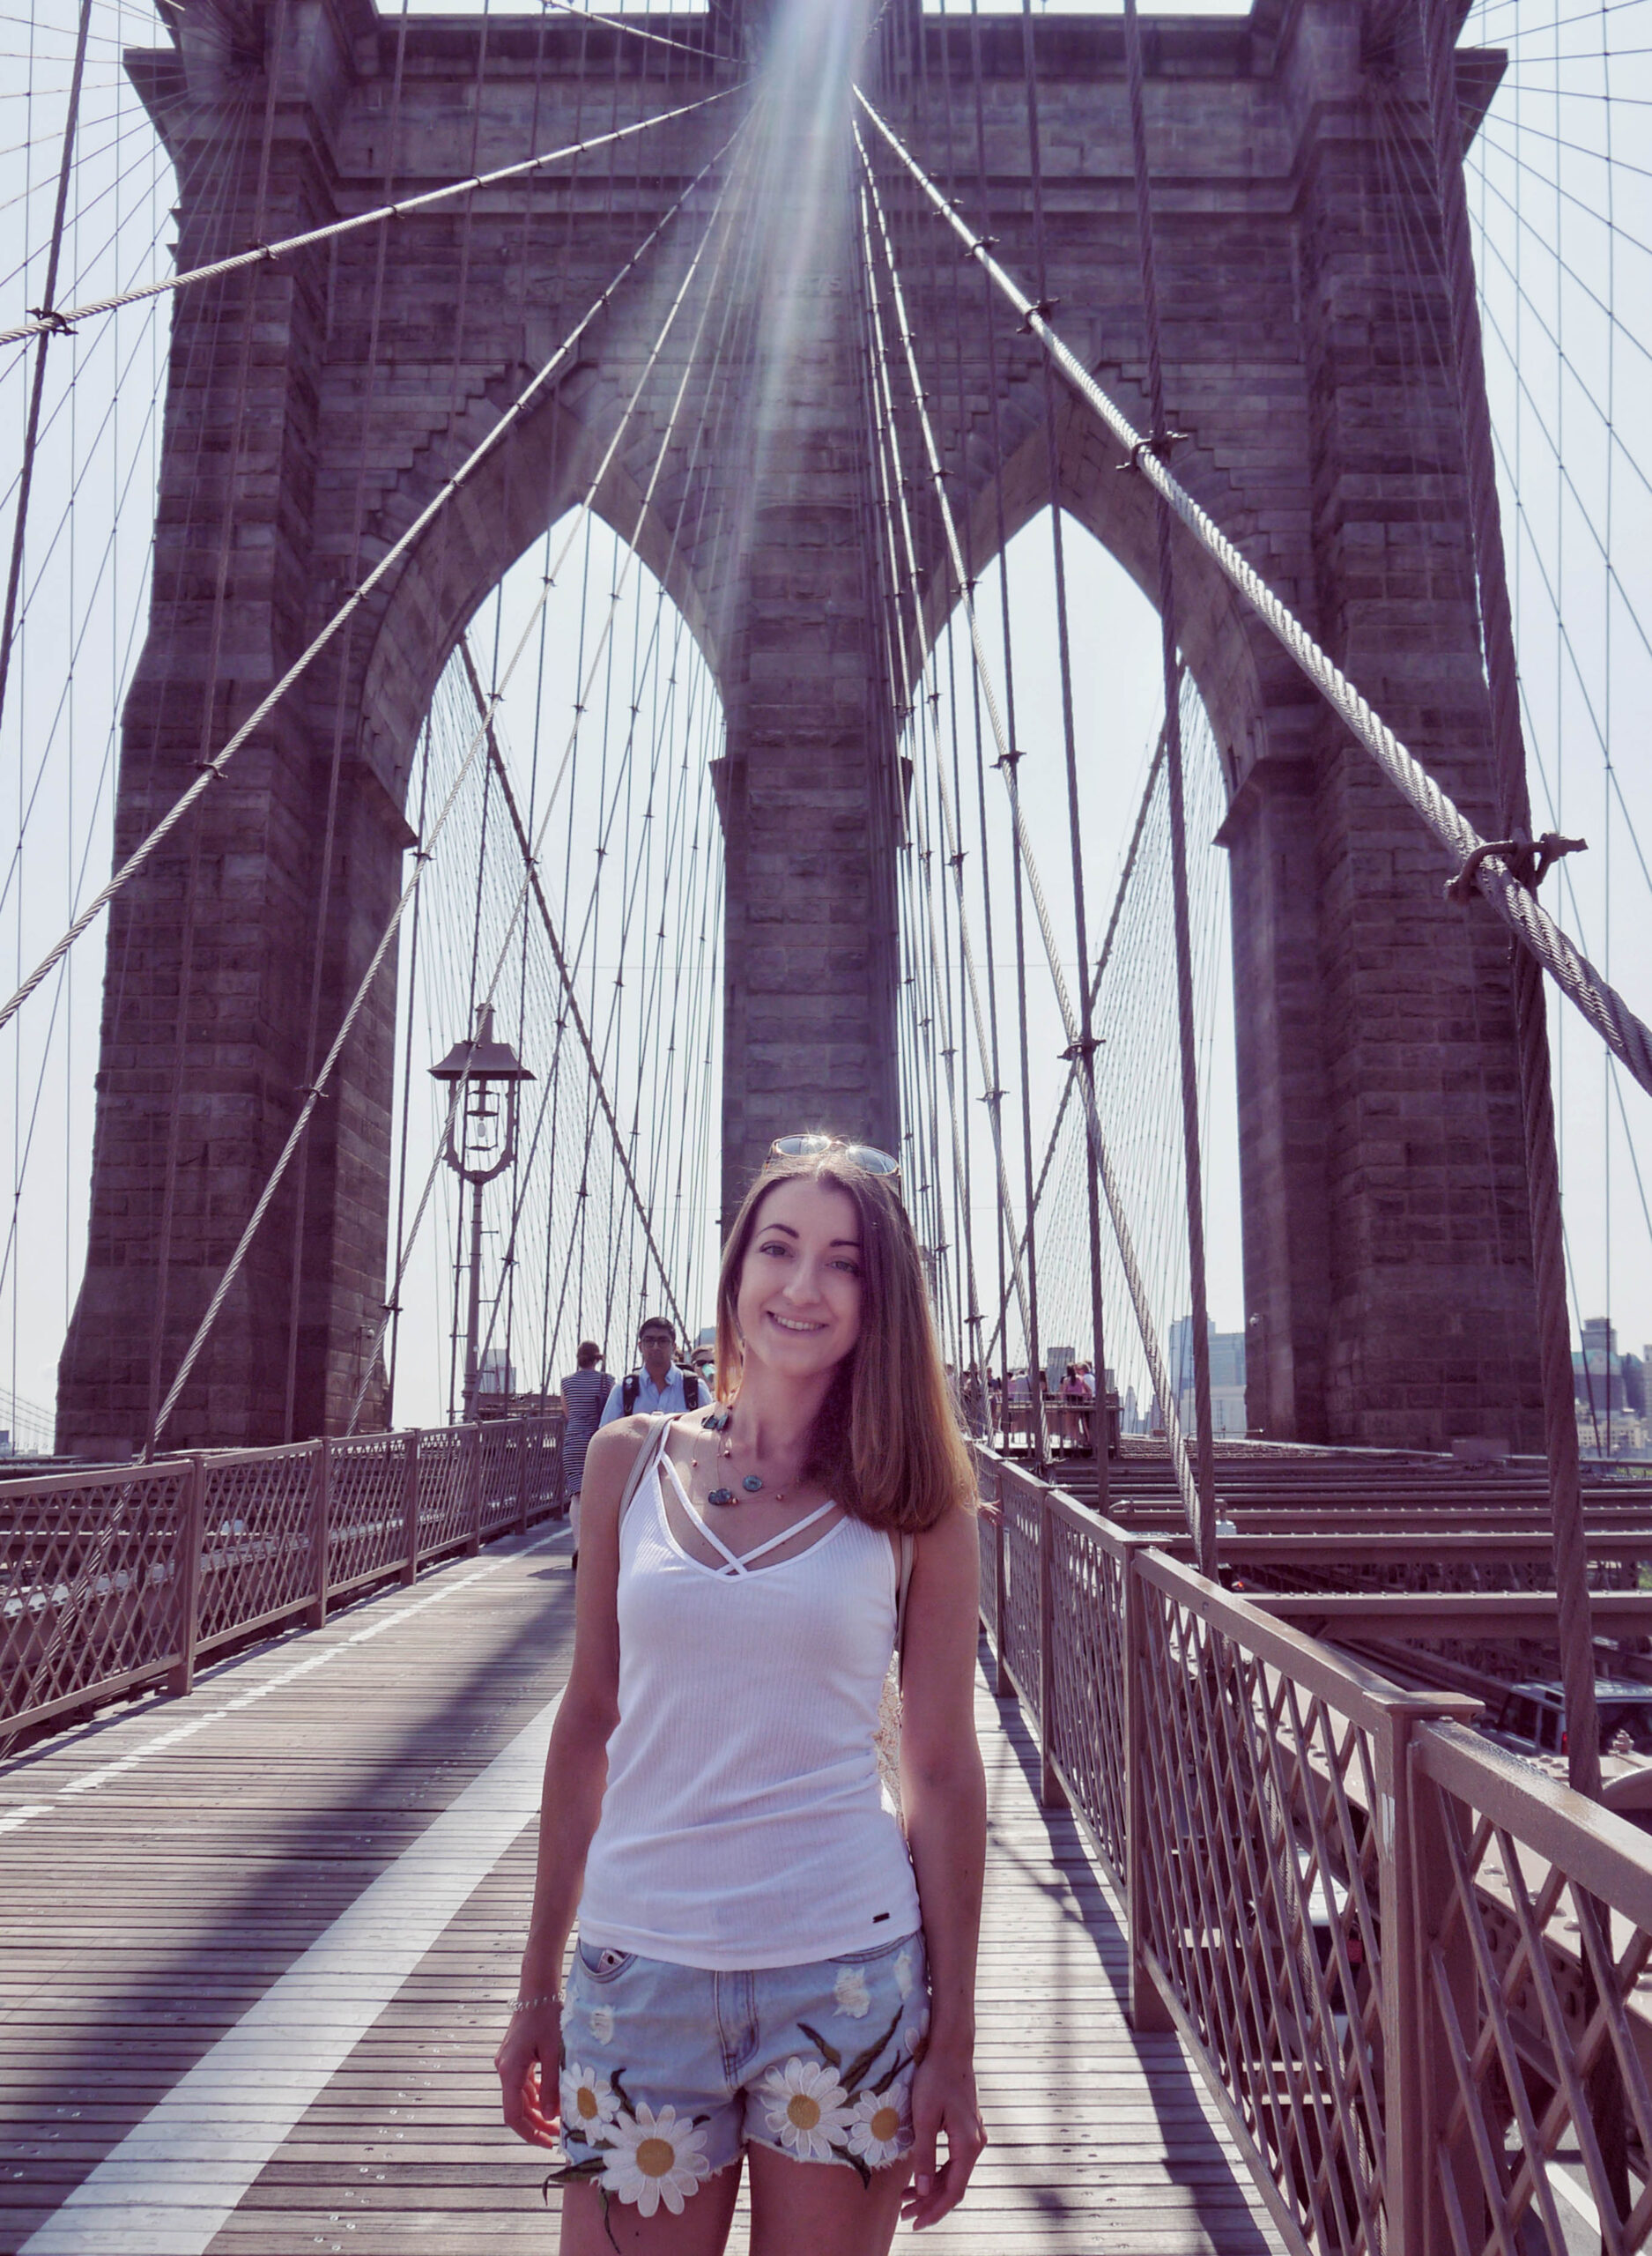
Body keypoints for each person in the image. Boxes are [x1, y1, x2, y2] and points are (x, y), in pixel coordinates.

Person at [496, 1139, 988, 2254]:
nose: (803, 1286)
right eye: (779, 1247)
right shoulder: (626, 1462)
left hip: (847, 1978)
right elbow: (586, 1724)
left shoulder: (921, 1507)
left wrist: (953, 2034)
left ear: (882, 1299)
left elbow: (946, 1770)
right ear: (736, 1268)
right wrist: (537, 1988)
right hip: (637, 1970)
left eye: (843, 1262)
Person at [596, 1316, 706, 1429]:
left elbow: (712, 1436)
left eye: (663, 1341)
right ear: (640, 1346)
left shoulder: (695, 1388)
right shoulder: (623, 1390)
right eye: (649, 1340)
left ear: (673, 1347)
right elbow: (605, 1435)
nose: (655, 1347)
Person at [559, 1342, 611, 1562]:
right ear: (597, 1359)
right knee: (600, 1494)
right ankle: (597, 1546)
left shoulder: (566, 1382)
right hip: (599, 1440)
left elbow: (568, 1413)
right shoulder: (607, 1381)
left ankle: (579, 1546)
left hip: (573, 1441)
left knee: (577, 1496)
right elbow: (612, 1411)